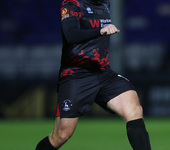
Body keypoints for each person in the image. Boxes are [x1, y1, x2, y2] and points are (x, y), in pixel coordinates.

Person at [35, 0, 151, 150]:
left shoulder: (105, 4)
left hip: (103, 73)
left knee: (134, 109)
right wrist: (100, 31)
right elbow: (70, 34)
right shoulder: (71, 4)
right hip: (76, 75)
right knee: (61, 135)